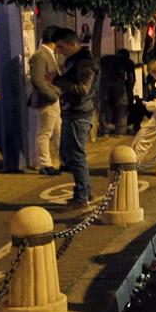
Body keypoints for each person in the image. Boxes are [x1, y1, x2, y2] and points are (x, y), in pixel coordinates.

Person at [52, 29, 98, 208]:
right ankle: (86, 189)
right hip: (72, 112)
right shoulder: (74, 60)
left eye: (61, 46)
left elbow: (82, 90)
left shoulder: (84, 62)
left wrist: (57, 80)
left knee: (76, 155)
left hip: (80, 113)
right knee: (66, 153)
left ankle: (82, 195)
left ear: (73, 44)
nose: (59, 50)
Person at [28, 25, 62, 174]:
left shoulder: (49, 54)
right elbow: (37, 80)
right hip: (47, 100)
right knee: (45, 133)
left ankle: (63, 160)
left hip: (53, 99)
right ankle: (45, 165)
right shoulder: (40, 56)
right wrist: (52, 95)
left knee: (58, 131)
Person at [99, 48, 135, 135]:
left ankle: (104, 131)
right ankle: (120, 131)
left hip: (104, 84)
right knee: (122, 107)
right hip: (119, 85)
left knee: (105, 108)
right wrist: (129, 92)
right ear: (127, 55)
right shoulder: (128, 61)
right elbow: (131, 79)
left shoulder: (105, 59)